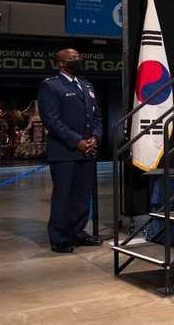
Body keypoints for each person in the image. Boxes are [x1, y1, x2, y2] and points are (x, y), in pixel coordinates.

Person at [38, 48, 103, 253]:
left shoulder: (86, 85)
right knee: (63, 196)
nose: (78, 60)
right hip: (64, 152)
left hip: (88, 151)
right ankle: (59, 237)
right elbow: (52, 121)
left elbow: (97, 117)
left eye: (78, 57)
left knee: (82, 196)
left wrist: (95, 138)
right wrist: (77, 142)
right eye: (72, 58)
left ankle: (78, 233)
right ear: (61, 63)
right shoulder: (51, 86)